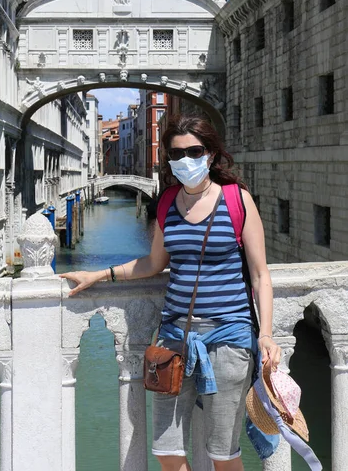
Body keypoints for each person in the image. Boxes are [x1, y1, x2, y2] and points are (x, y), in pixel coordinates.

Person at [60, 114, 281, 471]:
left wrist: (266, 334)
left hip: (229, 337)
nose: (185, 160)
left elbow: (260, 274)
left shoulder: (237, 200)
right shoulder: (167, 204)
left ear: (210, 154)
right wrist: (99, 274)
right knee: (166, 449)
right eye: (176, 154)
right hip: (175, 338)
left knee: (223, 453)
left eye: (194, 151)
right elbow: (153, 263)